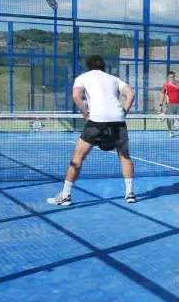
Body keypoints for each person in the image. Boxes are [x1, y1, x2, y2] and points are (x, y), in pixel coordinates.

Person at [47, 55, 136, 206]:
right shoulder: (114, 79)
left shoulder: (82, 77)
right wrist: (124, 112)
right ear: (103, 66)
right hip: (118, 122)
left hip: (96, 122)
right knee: (124, 156)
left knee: (77, 157)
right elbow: (131, 94)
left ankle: (66, 195)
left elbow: (76, 96)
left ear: (88, 66)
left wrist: (85, 114)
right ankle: (130, 193)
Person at [158, 71, 179, 137]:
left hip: (178, 104)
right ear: (168, 77)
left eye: (173, 77)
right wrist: (160, 104)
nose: (172, 78)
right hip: (169, 104)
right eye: (170, 77)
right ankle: (170, 132)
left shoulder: (178, 83)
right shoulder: (165, 85)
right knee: (170, 119)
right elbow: (163, 95)